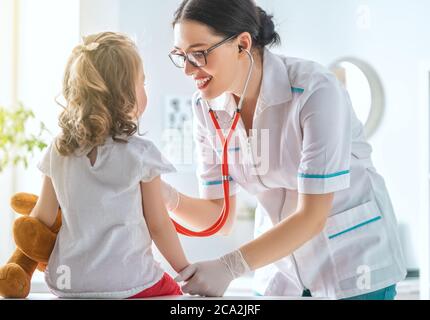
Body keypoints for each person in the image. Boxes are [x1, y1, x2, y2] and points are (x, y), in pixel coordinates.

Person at [162, 0, 406, 299]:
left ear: (242, 44)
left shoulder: (315, 90)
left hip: (352, 268)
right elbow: (218, 216)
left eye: (198, 54)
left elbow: (312, 216)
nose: (188, 70)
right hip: (279, 276)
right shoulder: (206, 108)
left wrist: (229, 266)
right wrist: (164, 196)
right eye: (181, 56)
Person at [30, 32, 188, 298]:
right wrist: (185, 271)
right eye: (143, 83)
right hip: (130, 282)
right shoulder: (141, 154)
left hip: (70, 284)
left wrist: (23, 264)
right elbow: (159, 225)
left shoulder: (59, 151)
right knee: (176, 296)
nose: (145, 89)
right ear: (125, 95)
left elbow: (41, 218)